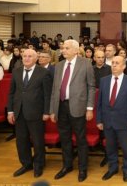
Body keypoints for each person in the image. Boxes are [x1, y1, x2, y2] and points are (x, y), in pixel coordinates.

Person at [49, 39, 96, 182]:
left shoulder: (86, 64)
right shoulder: (59, 65)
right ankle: (67, 165)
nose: (63, 50)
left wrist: (89, 108)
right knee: (64, 139)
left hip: (78, 107)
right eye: (63, 48)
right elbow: (55, 89)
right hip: (61, 107)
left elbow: (91, 87)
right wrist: (52, 109)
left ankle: (82, 169)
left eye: (67, 48)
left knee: (81, 139)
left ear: (76, 50)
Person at [7, 49, 52, 178]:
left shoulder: (44, 73)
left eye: (29, 56)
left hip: (36, 113)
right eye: (24, 56)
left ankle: (38, 165)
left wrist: (46, 112)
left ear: (36, 58)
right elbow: (11, 93)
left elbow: (47, 95)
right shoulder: (16, 72)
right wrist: (10, 111)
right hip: (19, 112)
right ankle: (26, 164)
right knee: (21, 141)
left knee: (38, 141)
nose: (26, 58)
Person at [96, 56, 127, 182]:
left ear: (123, 66)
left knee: (126, 148)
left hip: (124, 123)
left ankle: (126, 169)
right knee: (110, 147)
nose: (114, 65)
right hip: (107, 121)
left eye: (117, 63)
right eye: (113, 63)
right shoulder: (104, 81)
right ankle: (113, 167)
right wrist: (99, 120)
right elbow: (100, 103)